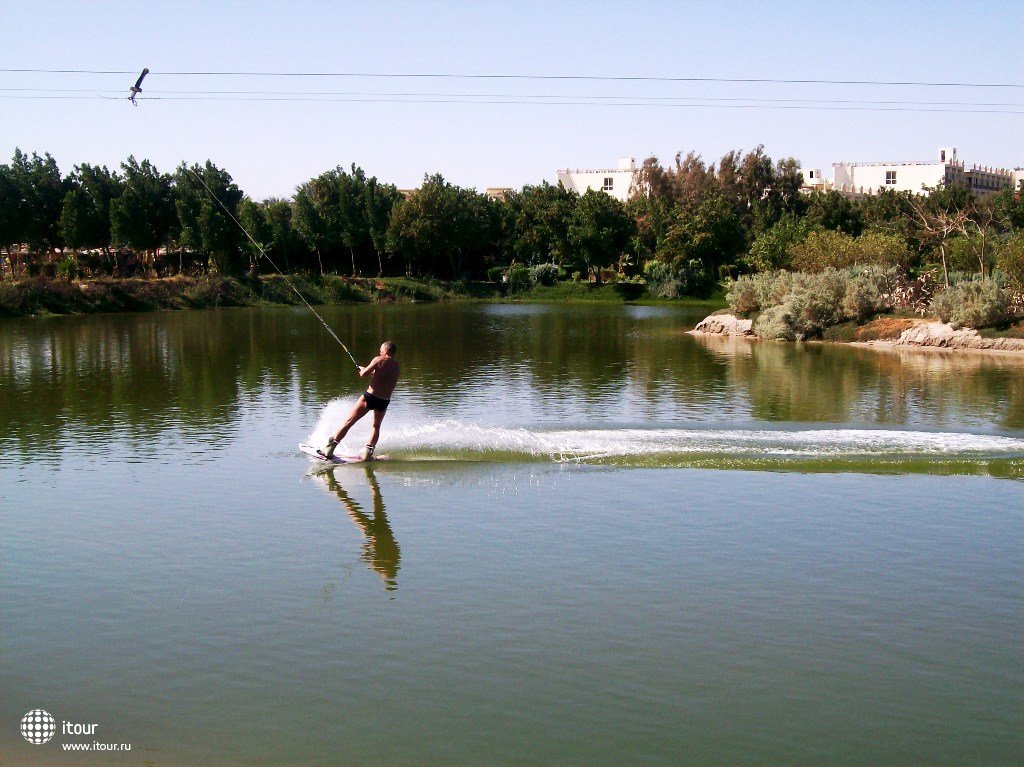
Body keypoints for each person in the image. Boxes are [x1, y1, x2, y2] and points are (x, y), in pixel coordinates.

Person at [321, 341, 400, 460]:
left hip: (370, 397)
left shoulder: (378, 359)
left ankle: (330, 448)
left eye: (381, 350)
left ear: (386, 350)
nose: (380, 351)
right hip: (384, 400)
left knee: (349, 422)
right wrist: (370, 371)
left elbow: (363, 375)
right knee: (376, 426)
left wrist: (362, 370)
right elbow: (382, 377)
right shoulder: (396, 366)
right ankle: (368, 454)